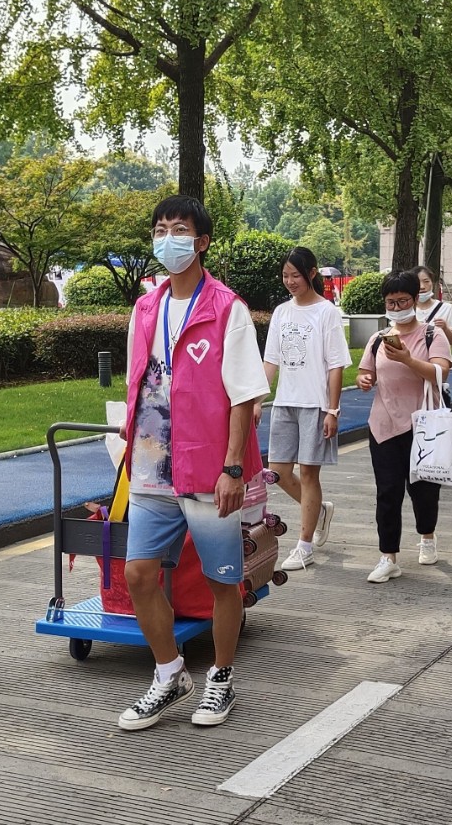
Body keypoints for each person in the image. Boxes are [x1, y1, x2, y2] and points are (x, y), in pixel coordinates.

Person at [115, 195, 270, 731]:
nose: (168, 239)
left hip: (208, 469)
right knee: (138, 575)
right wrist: (130, 426)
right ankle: (169, 673)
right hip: (152, 464)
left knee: (221, 580)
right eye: (160, 229)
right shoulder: (144, 308)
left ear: (201, 242)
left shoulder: (227, 308)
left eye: (178, 230)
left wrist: (233, 468)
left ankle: (221, 678)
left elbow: (245, 396)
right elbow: (139, 377)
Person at [356, 271, 452, 582]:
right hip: (383, 425)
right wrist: (364, 380)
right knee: (387, 492)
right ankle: (388, 556)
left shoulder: (431, 335)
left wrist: (408, 359)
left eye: (402, 301)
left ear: (414, 300)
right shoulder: (378, 339)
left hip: (422, 425)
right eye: (390, 302)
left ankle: (427, 535)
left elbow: (441, 373)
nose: (396, 307)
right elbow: (364, 373)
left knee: (424, 490)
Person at [262, 247, 351, 571]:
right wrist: (256, 400)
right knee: (277, 471)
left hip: (315, 404)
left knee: (309, 473)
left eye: (295, 275)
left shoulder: (326, 312)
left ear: (311, 273)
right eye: (285, 276)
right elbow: (271, 361)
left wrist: (332, 410)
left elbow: (336, 365)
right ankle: (319, 510)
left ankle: (304, 546)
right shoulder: (281, 312)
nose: (290, 281)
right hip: (285, 402)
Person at [411, 265, 452, 349]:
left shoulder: (446, 308)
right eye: (417, 283)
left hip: (439, 356)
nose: (422, 287)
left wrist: (445, 329)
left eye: (426, 281)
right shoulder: (406, 310)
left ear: (432, 283)